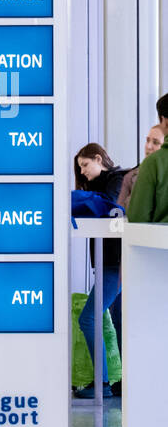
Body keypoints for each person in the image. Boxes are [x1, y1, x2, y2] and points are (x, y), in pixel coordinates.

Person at [74, 143, 125, 399]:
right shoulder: (97, 188)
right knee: (114, 321)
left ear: (98, 158)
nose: (82, 171)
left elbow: (109, 206)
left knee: (89, 318)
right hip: (111, 263)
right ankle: (116, 383)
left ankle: (102, 384)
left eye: (85, 165)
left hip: (116, 263)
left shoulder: (117, 179)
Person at [128, 111, 168, 224]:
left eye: (155, 142)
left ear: (164, 121)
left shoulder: (153, 163)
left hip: (161, 239)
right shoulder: (129, 176)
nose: (148, 147)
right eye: (147, 140)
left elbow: (138, 216)